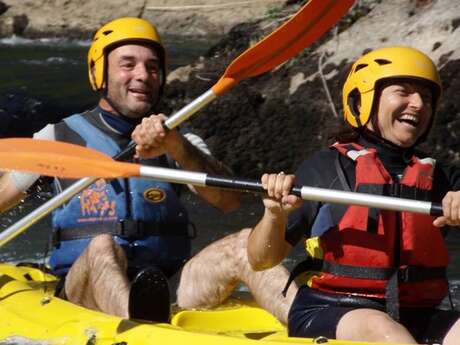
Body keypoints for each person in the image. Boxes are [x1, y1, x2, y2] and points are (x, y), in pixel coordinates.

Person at [0, 17, 240, 322]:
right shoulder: (58, 138)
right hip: (82, 289)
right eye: (128, 64)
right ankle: (139, 327)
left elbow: (230, 202)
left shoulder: (181, 139)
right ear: (99, 72)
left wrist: (177, 147)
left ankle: (307, 325)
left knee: (242, 244)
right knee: (103, 245)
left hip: (166, 285)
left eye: (153, 67)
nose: (143, 75)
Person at [246, 46, 460, 344]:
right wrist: (274, 213)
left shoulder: (441, 178)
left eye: (426, 97)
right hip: (330, 309)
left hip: (417, 313)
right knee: (383, 330)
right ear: (362, 99)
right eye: (404, 92)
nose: (418, 104)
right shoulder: (325, 170)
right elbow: (260, 260)